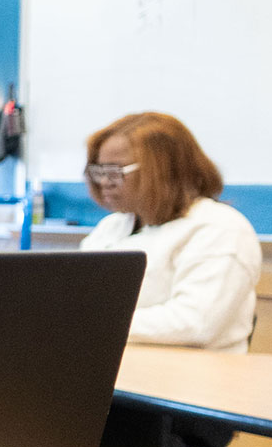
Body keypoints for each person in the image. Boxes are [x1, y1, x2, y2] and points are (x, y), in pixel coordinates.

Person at [77, 111, 261, 352]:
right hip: (119, 367)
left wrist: (86, 323)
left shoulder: (220, 228)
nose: (104, 182)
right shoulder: (112, 226)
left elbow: (195, 323)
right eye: (99, 171)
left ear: (166, 169)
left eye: (116, 172)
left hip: (197, 380)